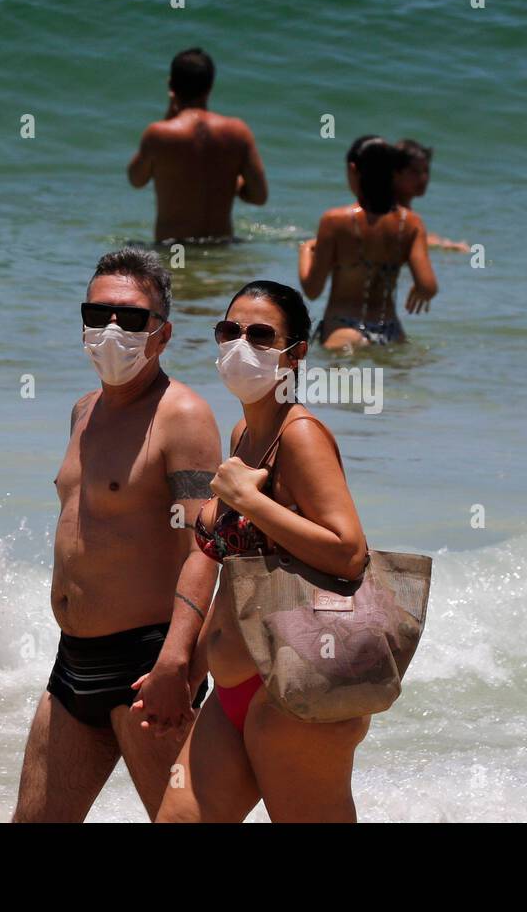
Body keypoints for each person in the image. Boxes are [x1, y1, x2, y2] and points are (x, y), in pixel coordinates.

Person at [13, 248, 222, 822]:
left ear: (162, 333)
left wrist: (180, 666)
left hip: (147, 665)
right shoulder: (84, 410)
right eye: (97, 314)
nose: (111, 329)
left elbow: (206, 548)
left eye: (130, 318)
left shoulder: (182, 415)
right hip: (72, 663)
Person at [156, 281, 371, 823]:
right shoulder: (245, 433)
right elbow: (230, 568)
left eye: (259, 335)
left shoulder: (299, 436)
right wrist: (183, 661)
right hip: (232, 690)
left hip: (292, 691)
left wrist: (249, 498)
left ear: (296, 353)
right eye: (230, 331)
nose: (240, 345)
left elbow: (348, 552)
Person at [299, 136, 438, 349]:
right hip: (390, 331)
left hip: (343, 330)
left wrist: (306, 251)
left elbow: (312, 290)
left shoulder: (334, 220)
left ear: (353, 169)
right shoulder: (411, 223)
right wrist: (418, 292)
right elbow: (428, 287)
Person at [127, 47, 268, 242]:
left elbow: (136, 180)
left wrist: (170, 113)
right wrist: (231, 182)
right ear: (210, 87)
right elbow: (259, 196)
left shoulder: (159, 134)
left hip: (174, 248)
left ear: (171, 87)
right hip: (222, 250)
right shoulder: (238, 131)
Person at [394, 138, 470, 252]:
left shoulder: (399, 211)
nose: (423, 178)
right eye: (415, 172)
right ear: (395, 173)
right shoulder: (395, 213)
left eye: (426, 171)